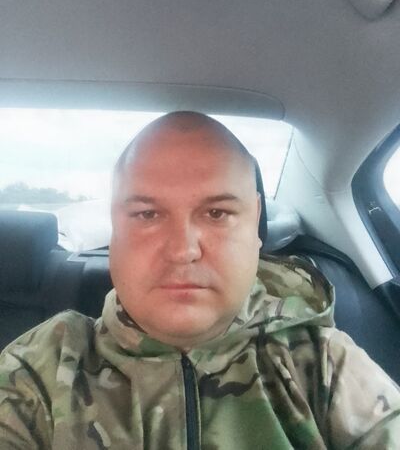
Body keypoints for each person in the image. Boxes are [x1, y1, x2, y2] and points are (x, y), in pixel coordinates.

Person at [0, 111, 399, 449]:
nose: (182, 250)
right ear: (114, 229)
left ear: (256, 223)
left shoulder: (324, 365)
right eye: (147, 214)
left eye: (216, 214)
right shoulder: (38, 371)